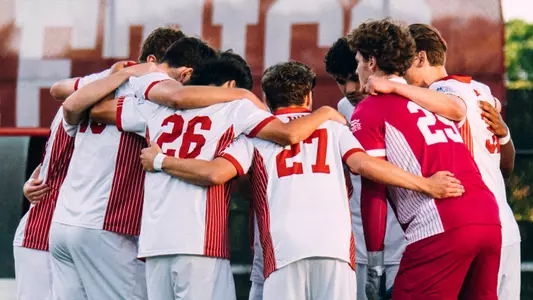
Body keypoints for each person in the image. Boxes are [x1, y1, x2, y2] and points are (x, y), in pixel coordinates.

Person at [138, 60, 465, 300]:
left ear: (266, 99)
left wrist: (161, 161)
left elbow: (215, 174)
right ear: (308, 97)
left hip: (283, 251)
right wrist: (425, 184)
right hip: (335, 249)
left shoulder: (256, 134)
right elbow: (365, 165)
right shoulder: (334, 126)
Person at [79, 51, 348, 299]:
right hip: (202, 244)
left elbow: (91, 108)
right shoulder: (237, 110)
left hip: (155, 244)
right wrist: (324, 112)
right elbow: (286, 135)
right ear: (233, 86)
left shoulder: (156, 108)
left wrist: (121, 74)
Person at [12, 26, 185, 300]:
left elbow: (61, 96)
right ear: (152, 63)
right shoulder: (147, 92)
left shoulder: (93, 86)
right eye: (180, 70)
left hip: (56, 223)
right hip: (82, 225)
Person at [362, 22, 520, 299]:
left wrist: (392, 86)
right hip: (496, 221)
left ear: (420, 57)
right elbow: (507, 166)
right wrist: (504, 134)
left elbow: (454, 107)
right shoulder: (482, 92)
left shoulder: (442, 95)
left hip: (454, 219)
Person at [325, 37, 406, 300]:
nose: (348, 88)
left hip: (407, 238)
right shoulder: (342, 109)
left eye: (351, 76)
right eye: (339, 80)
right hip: (360, 241)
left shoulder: (405, 98)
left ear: (368, 66)